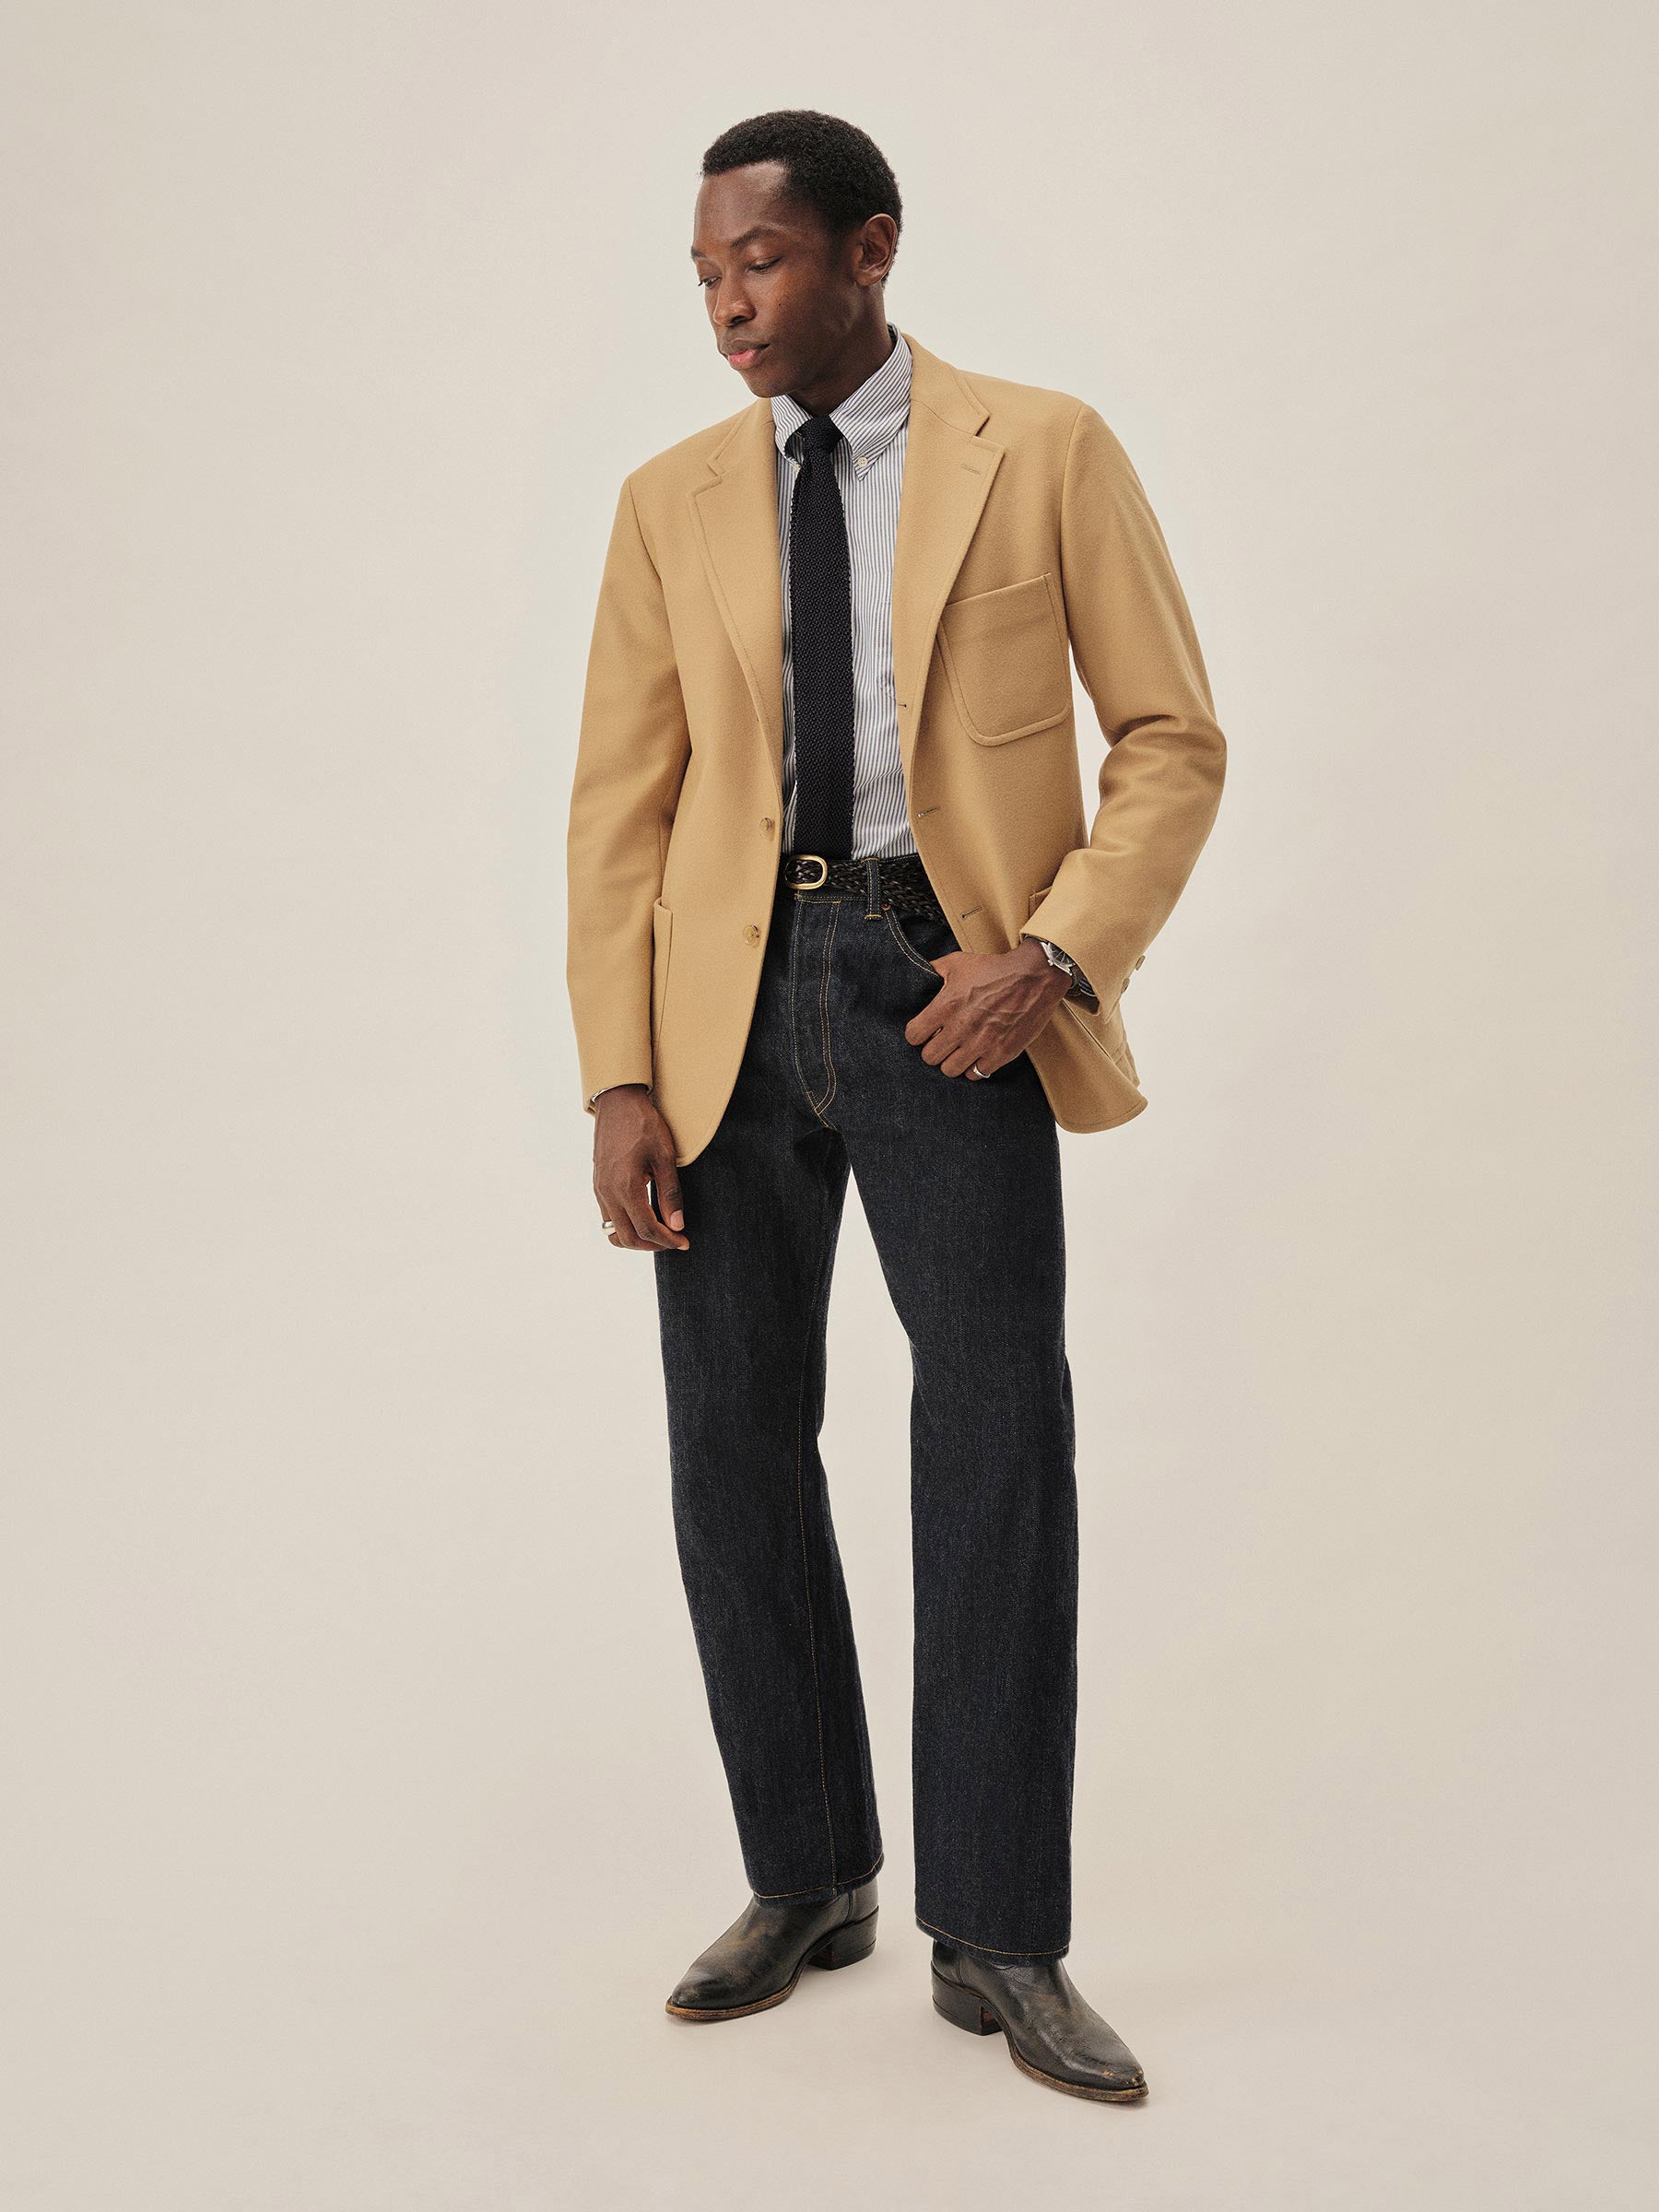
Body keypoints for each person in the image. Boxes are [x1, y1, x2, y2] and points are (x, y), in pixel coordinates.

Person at [565, 108, 1225, 2103]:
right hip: (725, 1004)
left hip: (951, 988)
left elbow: (1172, 738)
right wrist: (618, 1072)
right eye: (704, 274)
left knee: (998, 1438)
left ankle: (1000, 1931)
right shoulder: (670, 500)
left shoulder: (1045, 449)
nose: (726, 306)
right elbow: (620, 811)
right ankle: (810, 1873)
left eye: (758, 261)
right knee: (733, 1449)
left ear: (869, 250)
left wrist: (1061, 954)